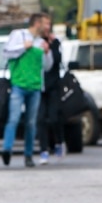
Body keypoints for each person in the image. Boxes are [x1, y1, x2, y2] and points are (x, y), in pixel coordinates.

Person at [0, 13, 52, 167]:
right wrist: (23, 47)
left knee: (31, 123)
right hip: (18, 85)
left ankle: (28, 155)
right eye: (46, 24)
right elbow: (6, 52)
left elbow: (47, 66)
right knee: (14, 119)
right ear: (37, 23)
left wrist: (48, 53)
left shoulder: (42, 42)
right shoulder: (19, 35)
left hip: (35, 87)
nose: (48, 27)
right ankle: (7, 149)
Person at [36, 15, 65, 165]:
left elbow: (58, 61)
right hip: (38, 85)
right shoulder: (35, 41)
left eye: (48, 23)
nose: (46, 26)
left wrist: (52, 46)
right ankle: (43, 150)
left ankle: (59, 142)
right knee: (40, 119)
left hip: (53, 85)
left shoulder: (55, 41)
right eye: (44, 23)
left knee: (54, 117)